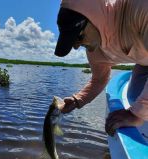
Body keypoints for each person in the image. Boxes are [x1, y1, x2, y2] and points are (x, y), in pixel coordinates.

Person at [54, 0, 148, 136]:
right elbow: (99, 79)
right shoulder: (95, 49)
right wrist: (77, 100)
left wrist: (138, 115)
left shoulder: (139, 7)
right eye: (73, 40)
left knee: (141, 109)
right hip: (144, 63)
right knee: (133, 97)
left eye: (78, 36)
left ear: (94, 17)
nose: (76, 46)